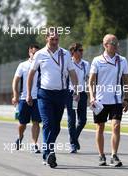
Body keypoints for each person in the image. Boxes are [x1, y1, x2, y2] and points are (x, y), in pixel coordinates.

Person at [26, 30, 79, 168]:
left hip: (61, 94)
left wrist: (76, 90)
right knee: (48, 123)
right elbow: (31, 75)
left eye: (56, 39)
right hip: (44, 94)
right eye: (52, 39)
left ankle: (47, 151)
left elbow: (72, 73)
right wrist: (28, 94)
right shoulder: (39, 54)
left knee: (56, 127)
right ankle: (49, 152)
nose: (54, 42)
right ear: (46, 39)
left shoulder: (66, 54)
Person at [88, 34, 128, 167]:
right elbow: (90, 82)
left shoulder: (122, 60)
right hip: (100, 101)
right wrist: (92, 97)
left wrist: (126, 98)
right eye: (114, 43)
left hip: (117, 100)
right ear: (106, 45)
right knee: (100, 127)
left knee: (116, 126)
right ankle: (101, 155)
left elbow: (127, 81)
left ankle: (114, 155)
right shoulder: (97, 60)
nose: (117, 45)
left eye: (117, 43)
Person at [12, 44, 41, 153]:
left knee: (36, 122)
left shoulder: (41, 66)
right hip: (24, 98)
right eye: (34, 53)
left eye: (37, 54)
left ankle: (34, 144)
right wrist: (15, 95)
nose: (35, 56)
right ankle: (20, 137)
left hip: (38, 98)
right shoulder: (22, 65)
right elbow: (15, 81)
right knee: (22, 124)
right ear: (29, 52)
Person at [66, 43, 90, 153]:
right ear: (73, 52)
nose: (81, 52)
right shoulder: (68, 63)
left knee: (83, 120)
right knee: (72, 120)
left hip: (82, 93)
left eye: (82, 50)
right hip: (71, 93)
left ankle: (73, 139)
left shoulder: (86, 64)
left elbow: (89, 79)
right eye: (79, 50)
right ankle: (73, 144)